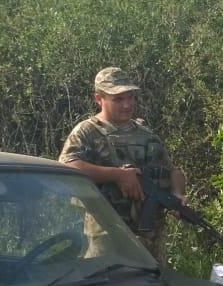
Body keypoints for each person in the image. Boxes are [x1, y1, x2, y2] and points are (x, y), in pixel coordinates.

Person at [59, 67, 185, 265]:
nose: (127, 105)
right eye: (118, 99)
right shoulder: (87, 132)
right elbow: (68, 167)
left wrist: (177, 195)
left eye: (131, 97)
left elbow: (173, 170)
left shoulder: (146, 134)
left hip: (150, 239)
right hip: (107, 235)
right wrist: (117, 175)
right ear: (99, 99)